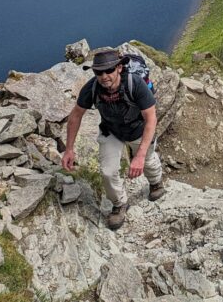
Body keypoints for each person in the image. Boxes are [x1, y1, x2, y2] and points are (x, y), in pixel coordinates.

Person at [61, 49, 165, 230]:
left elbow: (151, 118)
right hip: (112, 131)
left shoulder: (135, 84)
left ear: (119, 68)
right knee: (108, 172)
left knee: (147, 160)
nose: (103, 76)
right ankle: (119, 204)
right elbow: (75, 116)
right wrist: (69, 149)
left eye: (108, 70)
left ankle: (156, 183)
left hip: (139, 129)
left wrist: (138, 156)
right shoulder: (92, 88)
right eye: (98, 72)